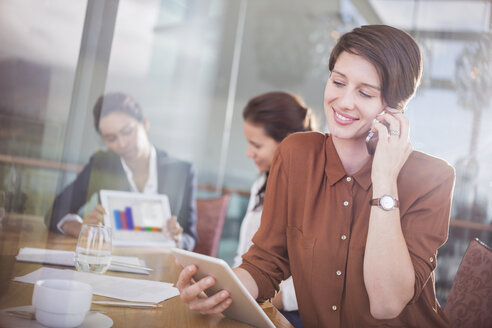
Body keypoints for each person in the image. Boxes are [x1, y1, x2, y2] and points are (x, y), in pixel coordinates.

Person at [175, 25, 455, 327]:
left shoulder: (431, 179)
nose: (344, 101)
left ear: (393, 108)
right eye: (338, 82)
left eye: (364, 92)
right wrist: (215, 292)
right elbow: (265, 263)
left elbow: (386, 303)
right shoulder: (296, 154)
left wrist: (385, 179)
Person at [45, 92, 198, 250]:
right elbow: (56, 211)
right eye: (111, 138)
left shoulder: (182, 172)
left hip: (160, 266)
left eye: (127, 131)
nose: (122, 143)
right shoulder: (102, 164)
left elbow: (190, 237)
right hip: (112, 261)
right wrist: (83, 228)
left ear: (144, 123)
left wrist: (177, 239)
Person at [234, 91, 314, 328]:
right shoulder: (261, 183)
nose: (249, 153)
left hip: (290, 314)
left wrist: (274, 297)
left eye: (256, 145)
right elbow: (244, 256)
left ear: (287, 143)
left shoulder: (311, 192)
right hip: (254, 299)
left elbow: (323, 278)